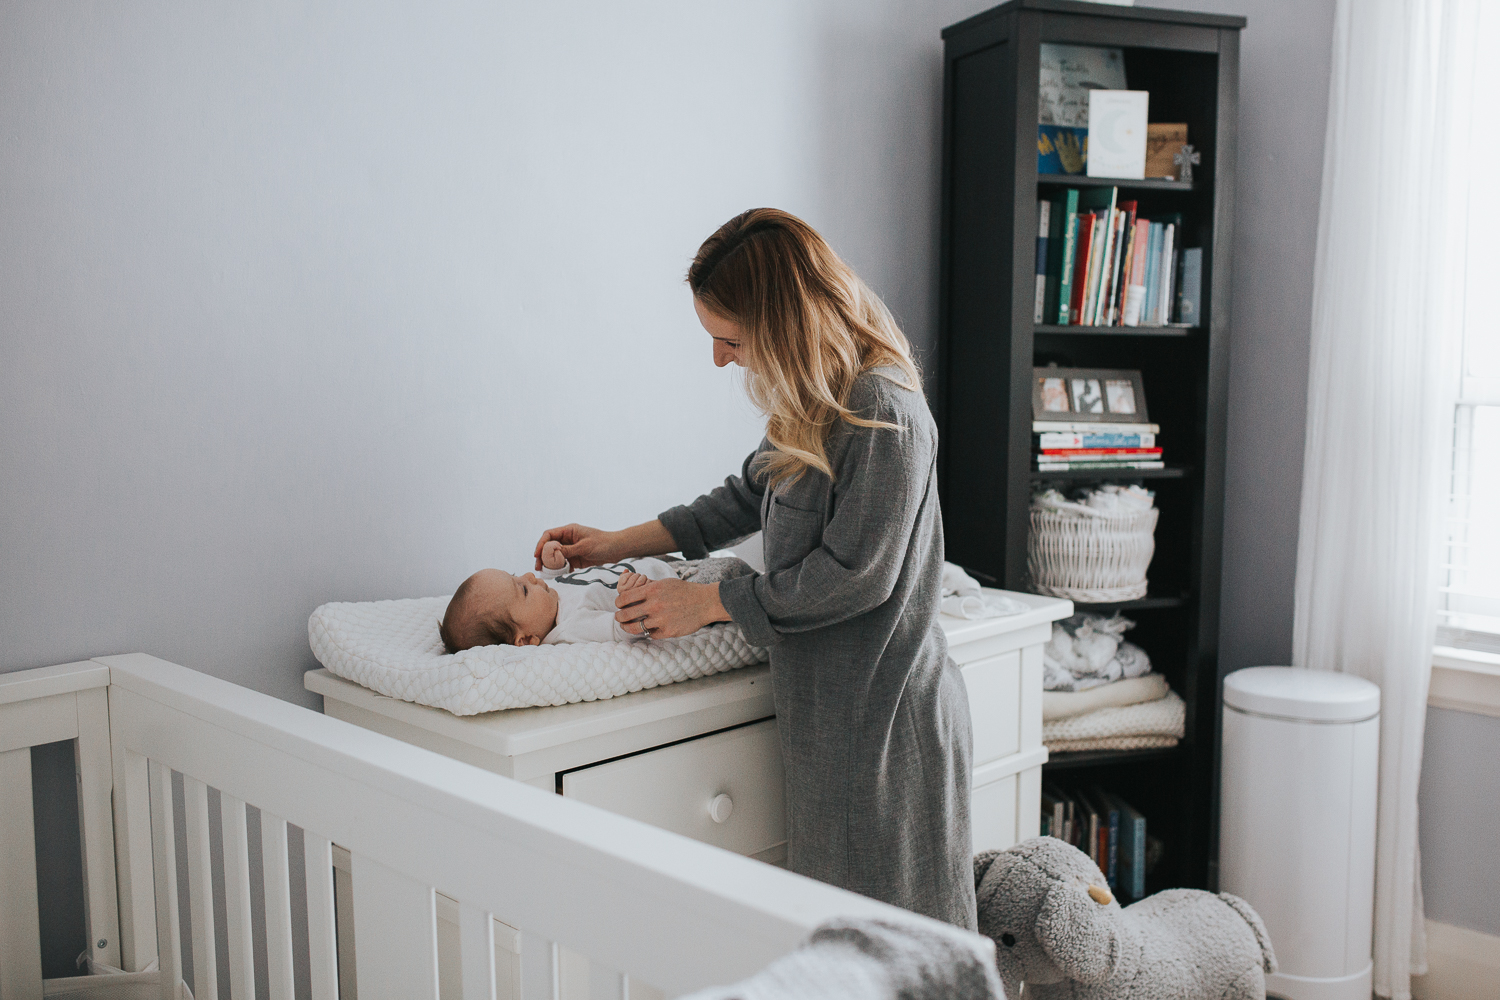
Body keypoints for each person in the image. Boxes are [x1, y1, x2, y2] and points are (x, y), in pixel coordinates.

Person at [534, 208, 976, 928]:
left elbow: (856, 575)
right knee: (842, 947)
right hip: (829, 719)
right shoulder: (810, 400)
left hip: (890, 723)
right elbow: (746, 496)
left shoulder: (884, 411)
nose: (718, 360)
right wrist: (612, 543)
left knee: (906, 945)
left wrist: (711, 602)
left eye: (728, 340)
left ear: (784, 327)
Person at [439, 541, 751, 652]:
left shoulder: (545, 601)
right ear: (525, 640)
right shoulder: (572, 626)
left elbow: (562, 581)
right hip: (683, 586)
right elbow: (620, 628)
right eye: (521, 588)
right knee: (731, 570)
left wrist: (553, 567)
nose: (529, 577)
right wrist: (631, 601)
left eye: (516, 575)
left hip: (661, 564)